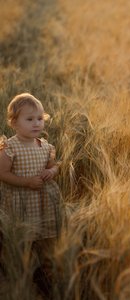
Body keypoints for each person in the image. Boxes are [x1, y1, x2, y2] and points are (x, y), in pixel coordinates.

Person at [0, 92, 62, 296]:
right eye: (29, 119)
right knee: (21, 239)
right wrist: (26, 182)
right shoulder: (9, 147)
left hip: (43, 202)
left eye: (39, 118)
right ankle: (18, 270)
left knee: (43, 237)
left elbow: (55, 167)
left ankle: (42, 273)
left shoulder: (46, 147)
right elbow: (3, 174)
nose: (36, 123)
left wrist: (51, 171)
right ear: (14, 122)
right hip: (21, 202)